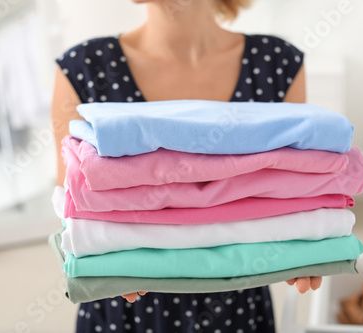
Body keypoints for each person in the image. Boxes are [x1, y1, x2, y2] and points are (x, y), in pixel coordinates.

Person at [51, 0, 322, 331]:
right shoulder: (84, 69)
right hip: (124, 304)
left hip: (236, 302)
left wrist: (303, 238)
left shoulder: (278, 64)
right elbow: (73, 204)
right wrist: (98, 258)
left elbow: (292, 189)